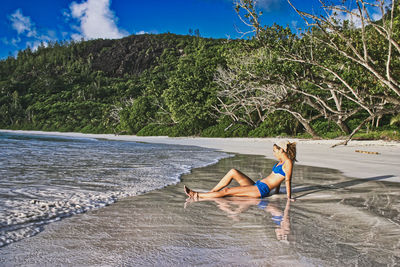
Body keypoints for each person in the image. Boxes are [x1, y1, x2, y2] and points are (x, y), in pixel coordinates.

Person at [184, 140, 297, 201]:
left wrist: (289, 197)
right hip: (258, 185)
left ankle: (197, 195)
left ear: (282, 150)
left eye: (275, 151)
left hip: (260, 190)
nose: (273, 153)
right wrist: (276, 192)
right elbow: (278, 180)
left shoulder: (288, 163)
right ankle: (212, 192)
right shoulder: (280, 162)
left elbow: (287, 180)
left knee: (227, 191)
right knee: (233, 171)